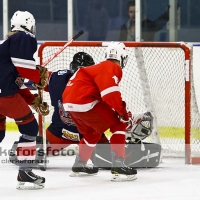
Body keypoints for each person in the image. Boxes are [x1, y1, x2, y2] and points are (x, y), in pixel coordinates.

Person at [9, 52, 109, 168]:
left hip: (88, 135)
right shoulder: (57, 78)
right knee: (22, 156)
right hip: (60, 132)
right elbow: (39, 80)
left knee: (110, 161)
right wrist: (33, 76)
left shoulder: (99, 84)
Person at [62, 42, 137, 182]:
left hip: (68, 103)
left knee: (92, 133)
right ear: (121, 57)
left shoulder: (96, 67)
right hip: (85, 101)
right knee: (119, 124)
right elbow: (110, 94)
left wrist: (119, 110)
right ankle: (119, 165)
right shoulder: (112, 67)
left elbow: (101, 94)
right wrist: (123, 114)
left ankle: (80, 164)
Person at [0, 10, 48, 189]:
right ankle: (25, 172)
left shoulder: (9, 44)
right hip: (4, 96)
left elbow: (16, 81)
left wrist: (32, 99)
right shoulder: (23, 37)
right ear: (30, 25)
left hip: (3, 93)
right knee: (30, 127)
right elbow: (25, 69)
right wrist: (38, 76)